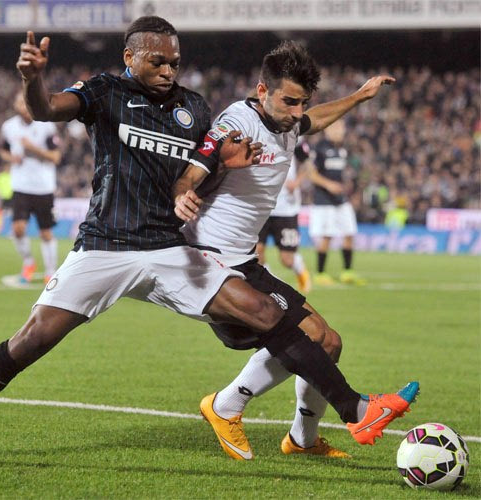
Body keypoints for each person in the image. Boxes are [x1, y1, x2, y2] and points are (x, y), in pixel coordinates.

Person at [0, 19, 416, 467]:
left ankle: (353, 409)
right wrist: (32, 80)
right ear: (130, 56)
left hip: (167, 248)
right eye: (158, 61)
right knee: (28, 343)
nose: (168, 70)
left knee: (264, 311)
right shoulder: (104, 92)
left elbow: (204, 162)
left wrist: (216, 170)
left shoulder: (194, 109)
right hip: (104, 245)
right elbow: (45, 110)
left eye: (174, 62)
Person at [174, 41, 418, 460]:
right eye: (289, 101)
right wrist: (183, 194)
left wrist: (359, 96)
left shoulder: (288, 120)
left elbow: (313, 120)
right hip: (212, 261)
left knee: (329, 342)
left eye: (302, 102)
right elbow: (194, 169)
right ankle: (226, 405)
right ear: (262, 90)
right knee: (307, 337)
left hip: (243, 260)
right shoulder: (236, 123)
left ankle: (302, 440)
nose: (296, 111)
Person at [0, 92, 61, 283]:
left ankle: (50, 271)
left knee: (46, 232)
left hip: (43, 187)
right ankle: (28, 262)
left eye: (26, 102)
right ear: (15, 106)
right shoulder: (8, 126)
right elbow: (2, 150)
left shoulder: (46, 125)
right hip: (21, 185)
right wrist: (11, 158)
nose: (23, 105)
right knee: (17, 229)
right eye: (20, 102)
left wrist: (33, 148)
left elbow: (55, 157)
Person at [308, 119, 365, 286]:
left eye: (342, 127)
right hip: (324, 200)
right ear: (328, 129)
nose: (341, 131)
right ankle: (320, 273)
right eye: (337, 127)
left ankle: (347, 272)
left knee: (349, 232)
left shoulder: (342, 149)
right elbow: (311, 174)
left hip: (341, 199)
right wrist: (329, 185)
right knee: (327, 236)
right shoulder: (319, 148)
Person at [256, 141, 312, 293]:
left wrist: (297, 182)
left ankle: (301, 270)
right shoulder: (257, 136)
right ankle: (270, 284)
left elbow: (308, 164)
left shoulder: (293, 140)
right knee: (257, 252)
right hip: (262, 207)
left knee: (287, 259)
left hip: (286, 209)